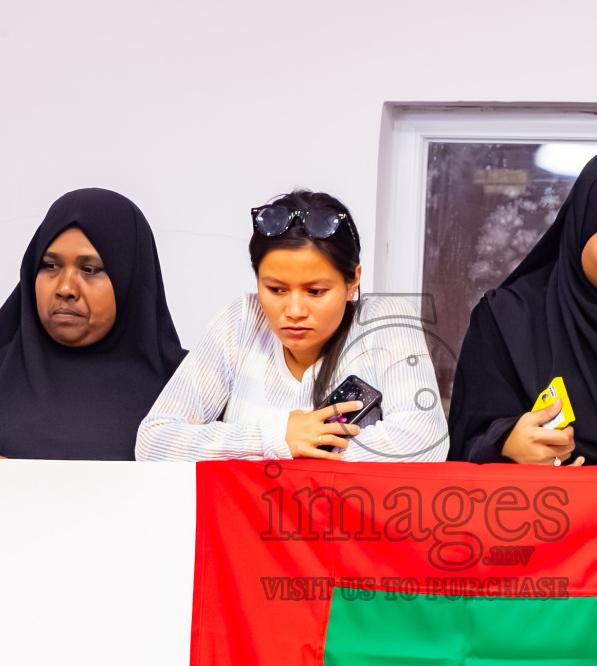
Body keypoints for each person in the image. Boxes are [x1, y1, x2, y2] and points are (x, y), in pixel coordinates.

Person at [135, 190, 447, 462]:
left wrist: (231, 442)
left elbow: (425, 441)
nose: (294, 311)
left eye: (316, 292)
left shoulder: (385, 321)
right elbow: (154, 441)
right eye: (275, 290)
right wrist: (277, 436)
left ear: (353, 281)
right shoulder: (242, 321)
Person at [446, 148, 597, 466]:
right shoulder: (507, 321)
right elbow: (466, 446)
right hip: (536, 513)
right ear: (579, 230)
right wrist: (506, 443)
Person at [0, 188, 186, 460]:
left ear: (130, 278)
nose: (65, 288)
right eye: (50, 266)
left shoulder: (188, 391)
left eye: (89, 270)